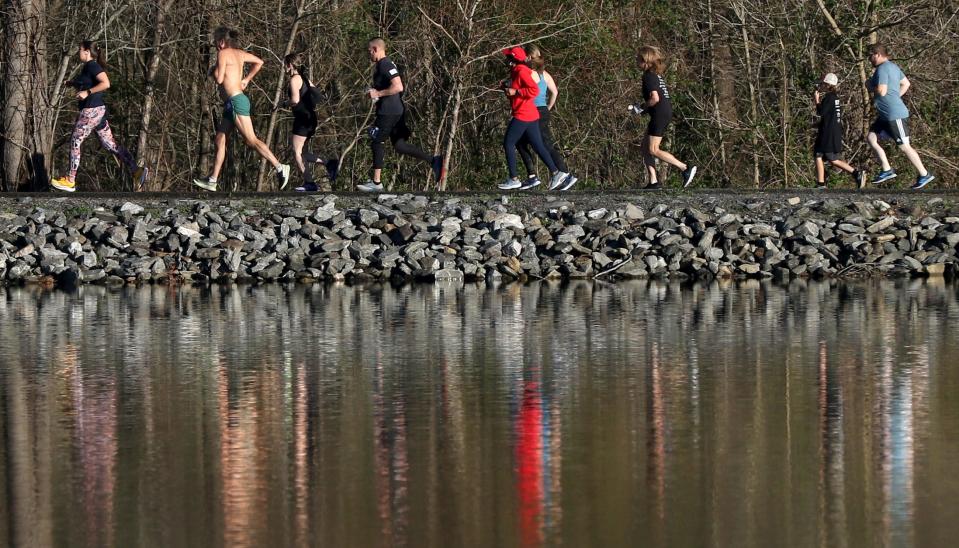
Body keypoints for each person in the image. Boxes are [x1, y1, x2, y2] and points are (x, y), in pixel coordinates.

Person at [193, 27, 291, 192]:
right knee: (220, 139)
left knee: (251, 140)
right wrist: (246, 79)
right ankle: (212, 180)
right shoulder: (239, 53)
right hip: (232, 103)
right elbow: (259, 62)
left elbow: (218, 79)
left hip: (236, 101)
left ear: (222, 41)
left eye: (217, 42)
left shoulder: (223, 54)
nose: (216, 46)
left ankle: (280, 167)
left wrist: (213, 69)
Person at [51, 41, 146, 193]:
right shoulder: (88, 68)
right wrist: (72, 83)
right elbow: (87, 82)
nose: (78, 53)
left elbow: (105, 83)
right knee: (110, 145)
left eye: (80, 50)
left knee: (75, 140)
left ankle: (70, 180)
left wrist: (87, 93)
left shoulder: (92, 66)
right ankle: (136, 170)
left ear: (87, 51)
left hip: (91, 111)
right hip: (98, 112)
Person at [357, 38, 443, 192]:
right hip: (396, 110)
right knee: (399, 145)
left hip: (389, 111)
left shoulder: (385, 64)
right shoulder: (385, 65)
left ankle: (376, 183)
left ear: (375, 49)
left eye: (369, 51)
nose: (368, 54)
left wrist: (378, 93)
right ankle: (434, 161)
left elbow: (398, 86)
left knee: (376, 140)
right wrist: (375, 95)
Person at [498, 46, 571, 191]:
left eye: (508, 57)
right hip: (531, 114)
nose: (505, 60)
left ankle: (514, 179)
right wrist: (507, 89)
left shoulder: (521, 70)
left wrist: (516, 91)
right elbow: (518, 91)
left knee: (509, 143)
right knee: (538, 145)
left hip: (523, 113)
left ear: (513, 59)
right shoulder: (517, 71)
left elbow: (533, 90)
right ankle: (556, 173)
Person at [865, 44, 934, 189]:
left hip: (894, 115)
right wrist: (895, 95)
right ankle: (886, 169)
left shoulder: (882, 69)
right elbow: (906, 84)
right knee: (871, 138)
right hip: (885, 116)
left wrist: (870, 86)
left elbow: (882, 91)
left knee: (904, 146)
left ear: (877, 54)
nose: (869, 59)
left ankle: (924, 174)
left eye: (870, 56)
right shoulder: (894, 67)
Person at [630, 45, 696, 190]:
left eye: (638, 59)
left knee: (653, 149)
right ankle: (653, 181)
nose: (636, 61)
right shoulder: (655, 75)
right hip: (663, 112)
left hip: (660, 114)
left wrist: (642, 107)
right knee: (644, 147)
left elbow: (655, 98)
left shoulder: (648, 76)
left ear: (645, 61)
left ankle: (685, 168)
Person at [516, 45, 577, 191]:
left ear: (529, 57)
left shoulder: (529, 73)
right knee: (524, 142)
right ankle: (536, 176)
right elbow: (555, 92)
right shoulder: (544, 74)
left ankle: (563, 173)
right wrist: (548, 107)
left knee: (543, 143)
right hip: (543, 110)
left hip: (532, 112)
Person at [281, 53, 339, 192]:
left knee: (297, 152)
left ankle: (310, 183)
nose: (284, 68)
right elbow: (319, 95)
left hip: (302, 119)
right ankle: (328, 163)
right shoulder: (305, 79)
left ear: (290, 65)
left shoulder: (294, 80)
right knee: (302, 152)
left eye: (285, 65)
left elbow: (294, 100)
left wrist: (283, 103)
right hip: (311, 118)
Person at [813, 73, 867, 189]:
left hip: (828, 133)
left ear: (828, 85)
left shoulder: (829, 98)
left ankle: (822, 184)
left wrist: (817, 101)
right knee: (828, 157)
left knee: (823, 155)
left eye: (824, 84)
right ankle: (855, 173)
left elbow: (821, 112)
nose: (822, 85)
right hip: (833, 132)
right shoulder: (835, 98)